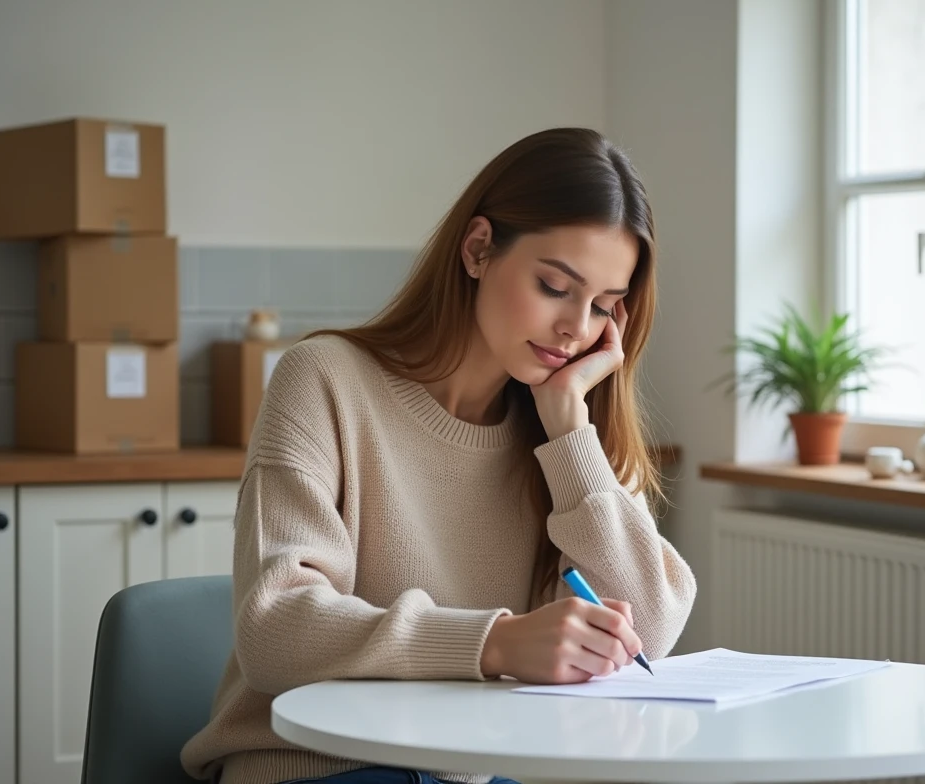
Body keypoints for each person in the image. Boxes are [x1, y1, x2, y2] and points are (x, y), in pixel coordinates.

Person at [181, 127, 697, 784]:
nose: (576, 328)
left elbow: (646, 631)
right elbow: (275, 628)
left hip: (473, 770)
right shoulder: (325, 378)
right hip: (317, 768)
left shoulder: (567, 436)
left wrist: (569, 430)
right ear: (479, 248)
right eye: (554, 285)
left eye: (602, 306)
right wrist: (498, 642)